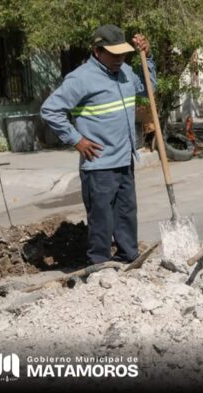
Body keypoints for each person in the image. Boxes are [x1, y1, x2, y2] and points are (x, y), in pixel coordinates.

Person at [41, 25, 156, 264]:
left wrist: (148, 58)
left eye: (123, 53)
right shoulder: (81, 79)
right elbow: (50, 110)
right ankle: (100, 268)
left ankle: (128, 258)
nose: (120, 59)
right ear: (97, 51)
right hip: (99, 165)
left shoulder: (124, 71)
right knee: (102, 221)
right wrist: (76, 140)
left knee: (126, 215)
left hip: (125, 160)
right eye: (114, 54)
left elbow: (148, 88)